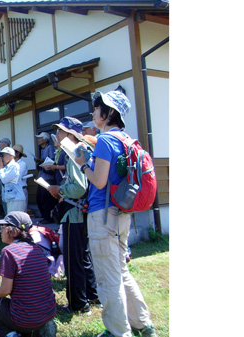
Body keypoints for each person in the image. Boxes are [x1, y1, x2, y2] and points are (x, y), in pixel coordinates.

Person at [75, 91, 157, 337]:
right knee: (120, 270)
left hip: (102, 215)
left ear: (109, 113)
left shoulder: (105, 141)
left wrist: (82, 164)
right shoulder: (126, 140)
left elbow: (99, 181)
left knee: (107, 278)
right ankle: (143, 324)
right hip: (121, 214)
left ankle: (118, 331)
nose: (93, 112)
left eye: (97, 107)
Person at [46, 117, 99, 316]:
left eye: (60, 131)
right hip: (81, 212)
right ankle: (93, 296)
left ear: (70, 135)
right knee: (83, 256)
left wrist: (59, 189)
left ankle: (78, 304)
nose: (56, 135)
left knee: (73, 259)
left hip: (74, 214)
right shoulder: (81, 152)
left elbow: (78, 188)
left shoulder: (74, 153)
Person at [0, 211, 57, 337]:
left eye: (3, 227)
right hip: (49, 312)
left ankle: (11, 334)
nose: (0, 231)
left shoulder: (9, 252)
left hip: (25, 320)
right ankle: (43, 326)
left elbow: (5, 290)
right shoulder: (37, 249)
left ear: (13, 231)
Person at [0, 147, 26, 214]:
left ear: (10, 155)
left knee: (16, 222)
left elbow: (4, 180)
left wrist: (0, 167)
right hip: (10, 198)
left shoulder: (14, 166)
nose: (2, 158)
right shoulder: (6, 167)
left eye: (3, 155)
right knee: (11, 221)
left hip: (16, 199)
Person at [34, 132, 56, 223]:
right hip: (42, 177)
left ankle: (48, 218)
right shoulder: (42, 150)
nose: (38, 140)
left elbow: (51, 160)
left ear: (45, 139)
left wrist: (40, 160)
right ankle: (44, 216)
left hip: (48, 178)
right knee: (39, 198)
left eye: (40, 138)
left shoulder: (49, 148)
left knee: (46, 199)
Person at [12, 144, 29, 211]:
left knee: (22, 213)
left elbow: (17, 176)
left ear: (18, 153)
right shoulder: (10, 164)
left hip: (21, 190)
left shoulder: (22, 164)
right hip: (12, 191)